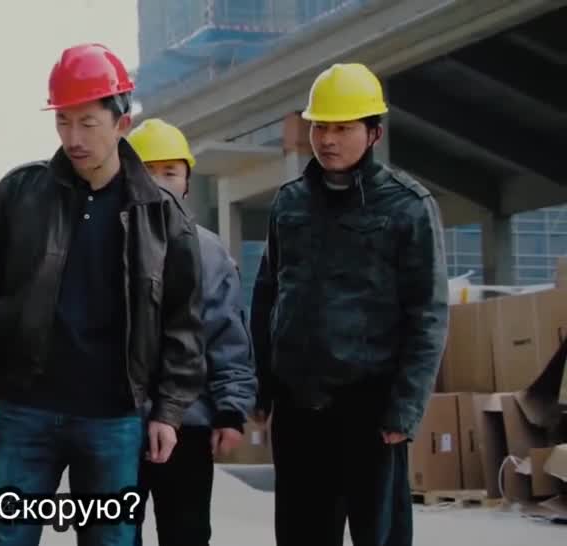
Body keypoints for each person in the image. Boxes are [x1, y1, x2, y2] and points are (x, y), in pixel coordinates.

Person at [0, 43, 206, 546]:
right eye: (63, 122)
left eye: (87, 123)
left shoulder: (162, 214)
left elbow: (183, 323)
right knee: (5, 538)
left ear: (122, 123)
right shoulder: (20, 195)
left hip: (113, 417)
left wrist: (168, 411)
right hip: (27, 408)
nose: (73, 138)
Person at [251, 62, 448, 546]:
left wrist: (404, 410)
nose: (328, 140)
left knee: (377, 536)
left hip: (371, 412)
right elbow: (267, 295)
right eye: (320, 127)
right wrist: (260, 388)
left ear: (374, 133)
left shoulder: (407, 207)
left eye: (342, 128)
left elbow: (428, 314)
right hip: (299, 409)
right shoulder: (289, 203)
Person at [126, 118, 256, 546]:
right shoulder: (102, 244)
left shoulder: (209, 251)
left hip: (189, 422)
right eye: (147, 172)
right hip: (116, 426)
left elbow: (227, 335)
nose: (159, 184)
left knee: (187, 534)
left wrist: (231, 410)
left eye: (170, 172)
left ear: (186, 182)